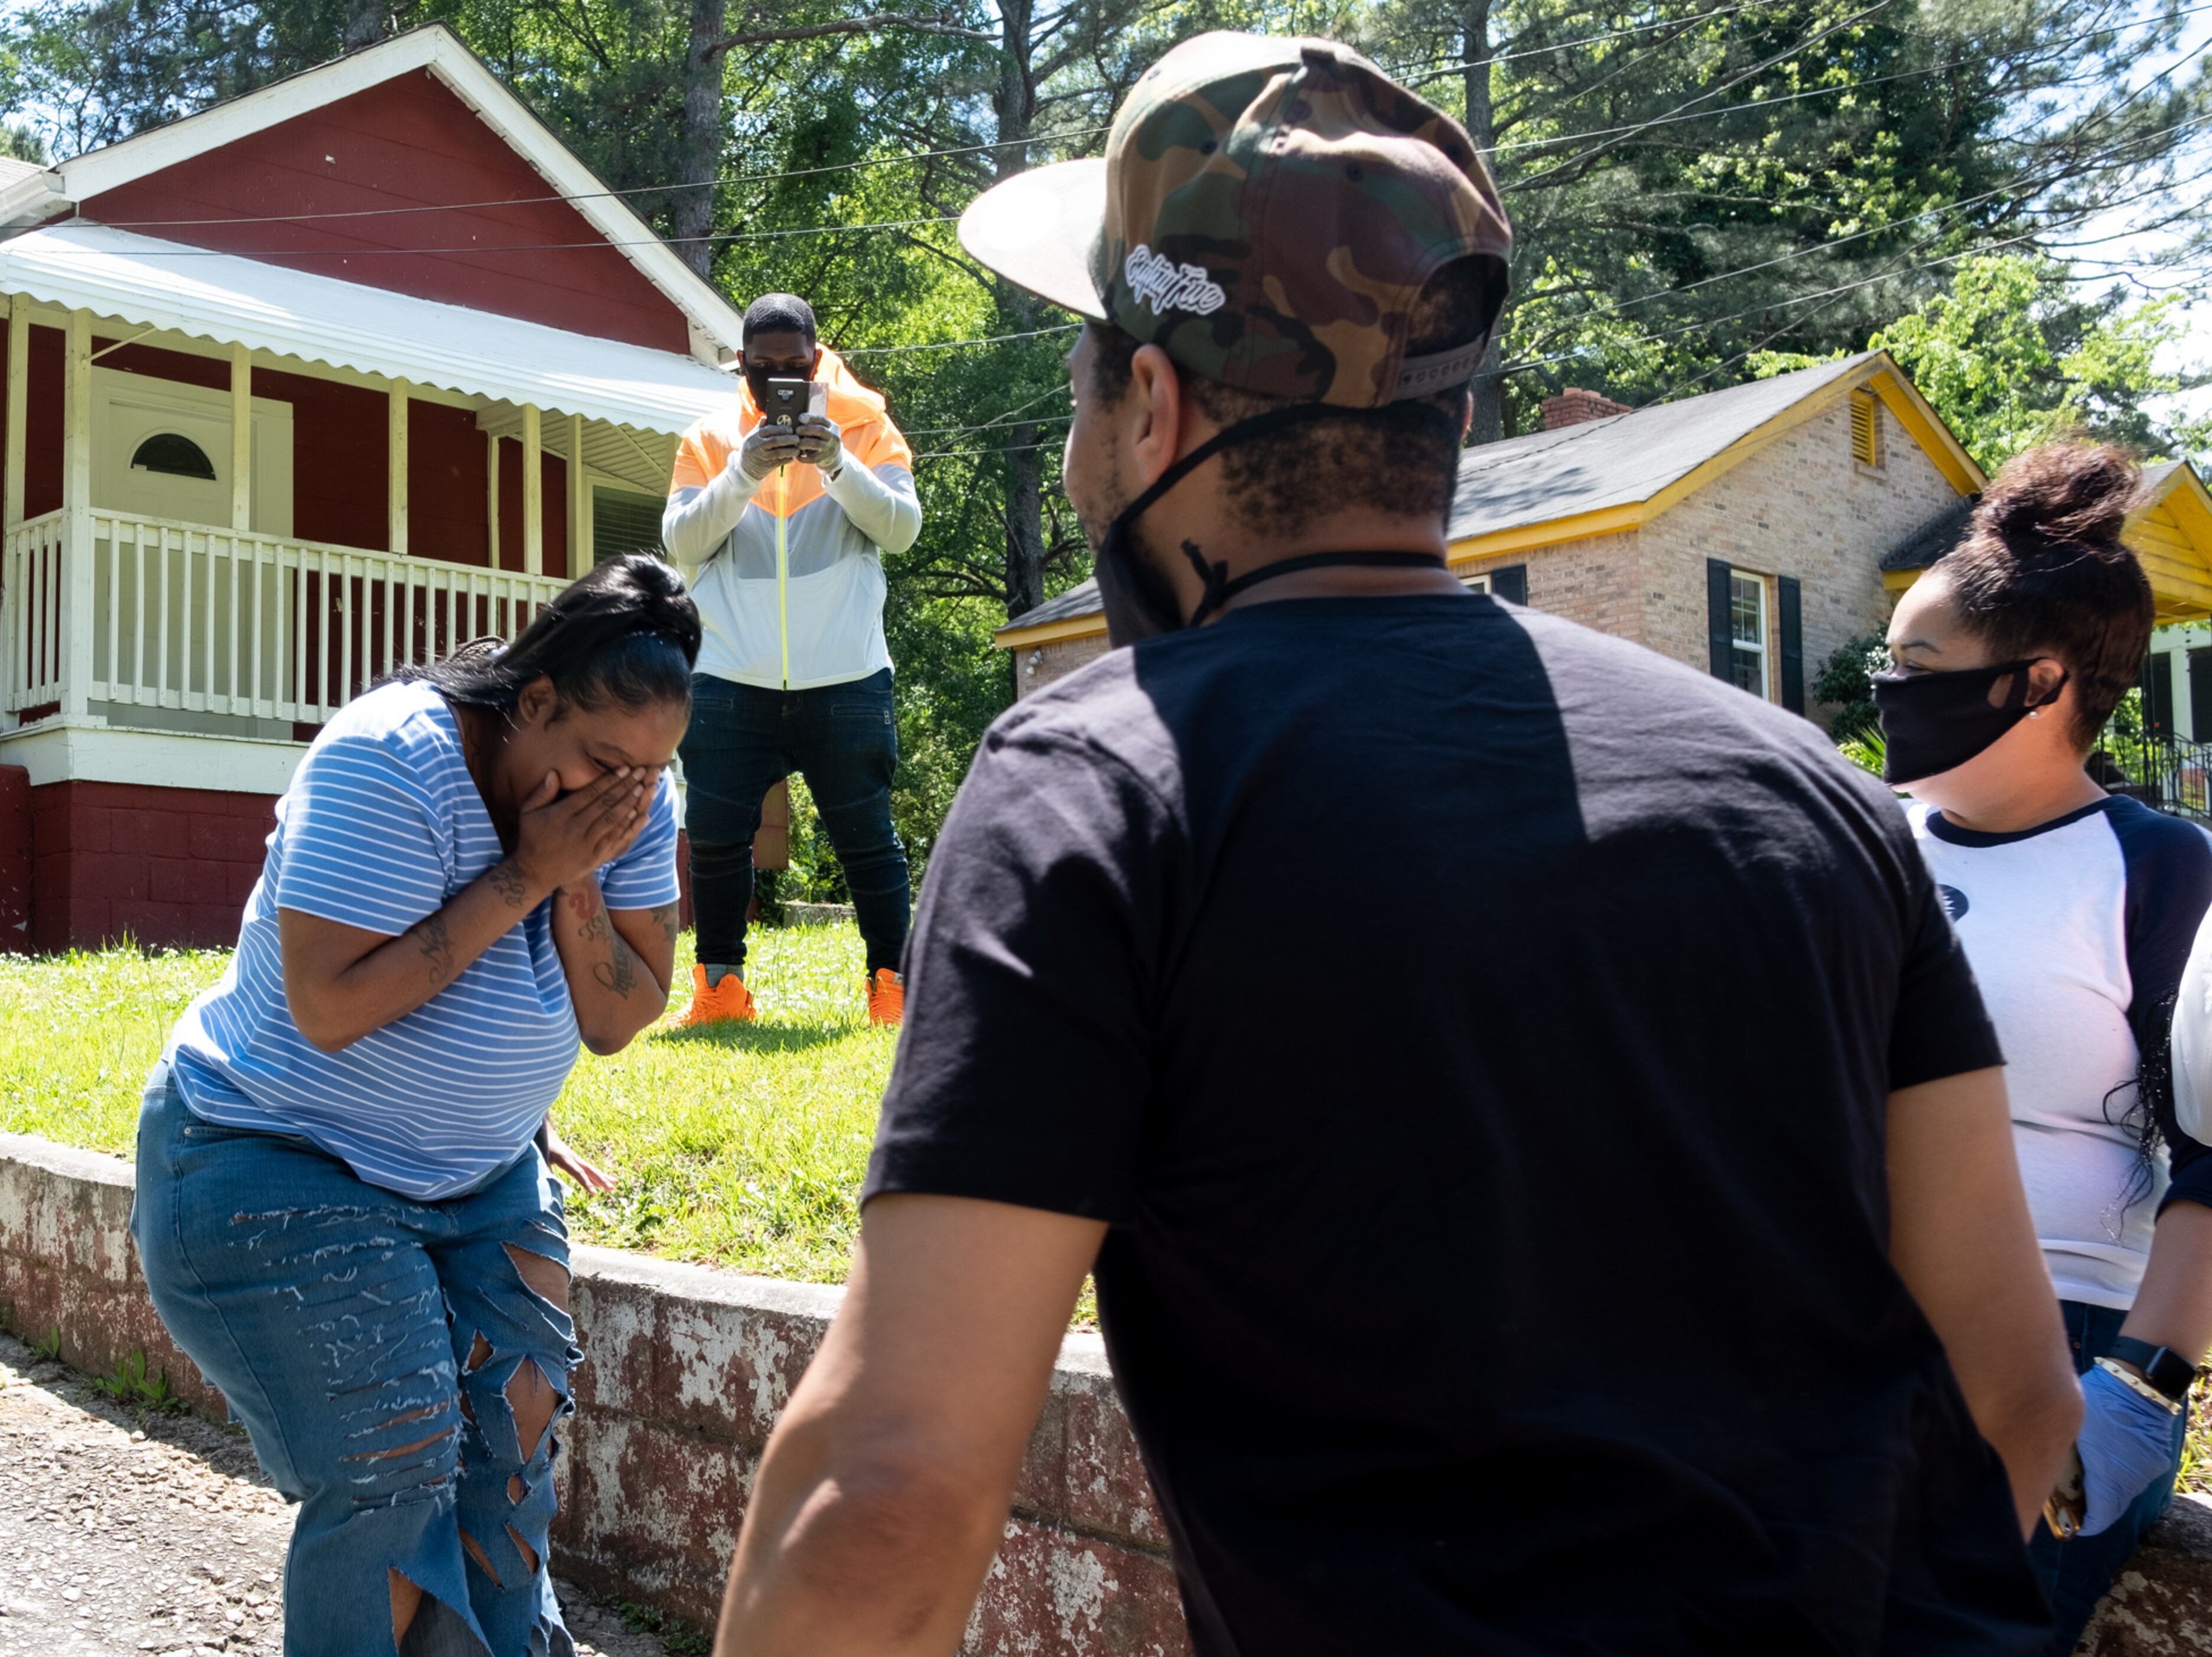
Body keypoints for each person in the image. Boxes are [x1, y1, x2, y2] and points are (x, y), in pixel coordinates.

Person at [707, 32, 2082, 1657]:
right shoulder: (1817, 793)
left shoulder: (1099, 782)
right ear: (1452, 416)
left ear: (1150, 404)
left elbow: (887, 1499)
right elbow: (2021, 1401)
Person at [133, 555, 696, 1657]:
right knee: (392, 1465)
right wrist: (530, 873)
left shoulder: (629, 795)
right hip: (272, 1152)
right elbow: (331, 1007)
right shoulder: (393, 760)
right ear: (533, 704)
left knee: (514, 1457)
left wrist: (582, 874)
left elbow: (622, 1011)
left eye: (646, 773)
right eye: (597, 763)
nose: (622, 794)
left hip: (480, 1179)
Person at [1878, 445, 2212, 1653]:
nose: (1886, 690)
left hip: (2057, 1334)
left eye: (1915, 666)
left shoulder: (2164, 871)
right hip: (1849, 1319)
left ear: (2038, 682)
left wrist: (2137, 1389)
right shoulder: (1862, 839)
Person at [661, 292, 922, 1027]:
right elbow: (682, 545)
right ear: (740, 365)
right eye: (763, 369)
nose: (779, 378)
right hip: (729, 677)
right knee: (714, 841)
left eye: (795, 366)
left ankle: (891, 990)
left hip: (845, 675)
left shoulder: (866, 425)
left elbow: (901, 531)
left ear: (818, 358)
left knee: (868, 841)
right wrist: (741, 472)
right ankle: (720, 991)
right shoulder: (709, 439)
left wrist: (838, 462)